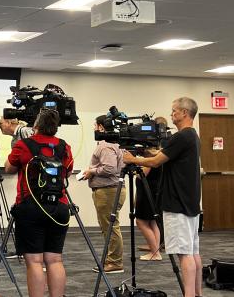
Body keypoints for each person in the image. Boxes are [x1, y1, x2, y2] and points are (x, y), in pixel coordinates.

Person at [124, 97, 202, 297]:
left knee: (185, 254)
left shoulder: (181, 137)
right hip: (190, 202)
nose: (171, 114)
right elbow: (165, 156)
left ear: (185, 113)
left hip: (177, 203)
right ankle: (197, 293)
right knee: (193, 252)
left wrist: (132, 159)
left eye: (174, 111)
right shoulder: (192, 136)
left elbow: (157, 161)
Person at [5, 109, 73, 297]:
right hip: (59, 207)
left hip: (31, 206)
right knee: (55, 260)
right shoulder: (64, 146)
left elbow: (9, 168)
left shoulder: (23, 144)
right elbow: (66, 172)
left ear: (36, 126)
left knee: (34, 261)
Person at [83, 115, 126, 273]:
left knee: (110, 227)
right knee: (110, 226)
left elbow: (109, 168)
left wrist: (91, 171)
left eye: (95, 125)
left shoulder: (105, 145)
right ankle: (112, 260)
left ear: (101, 127)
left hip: (108, 191)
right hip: (113, 189)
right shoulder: (115, 143)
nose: (94, 128)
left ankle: (115, 263)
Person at [134, 116, 168, 261]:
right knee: (153, 221)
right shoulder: (161, 150)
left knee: (141, 221)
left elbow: (143, 174)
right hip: (154, 191)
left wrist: (135, 165)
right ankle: (155, 249)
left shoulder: (151, 154)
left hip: (147, 191)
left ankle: (155, 252)